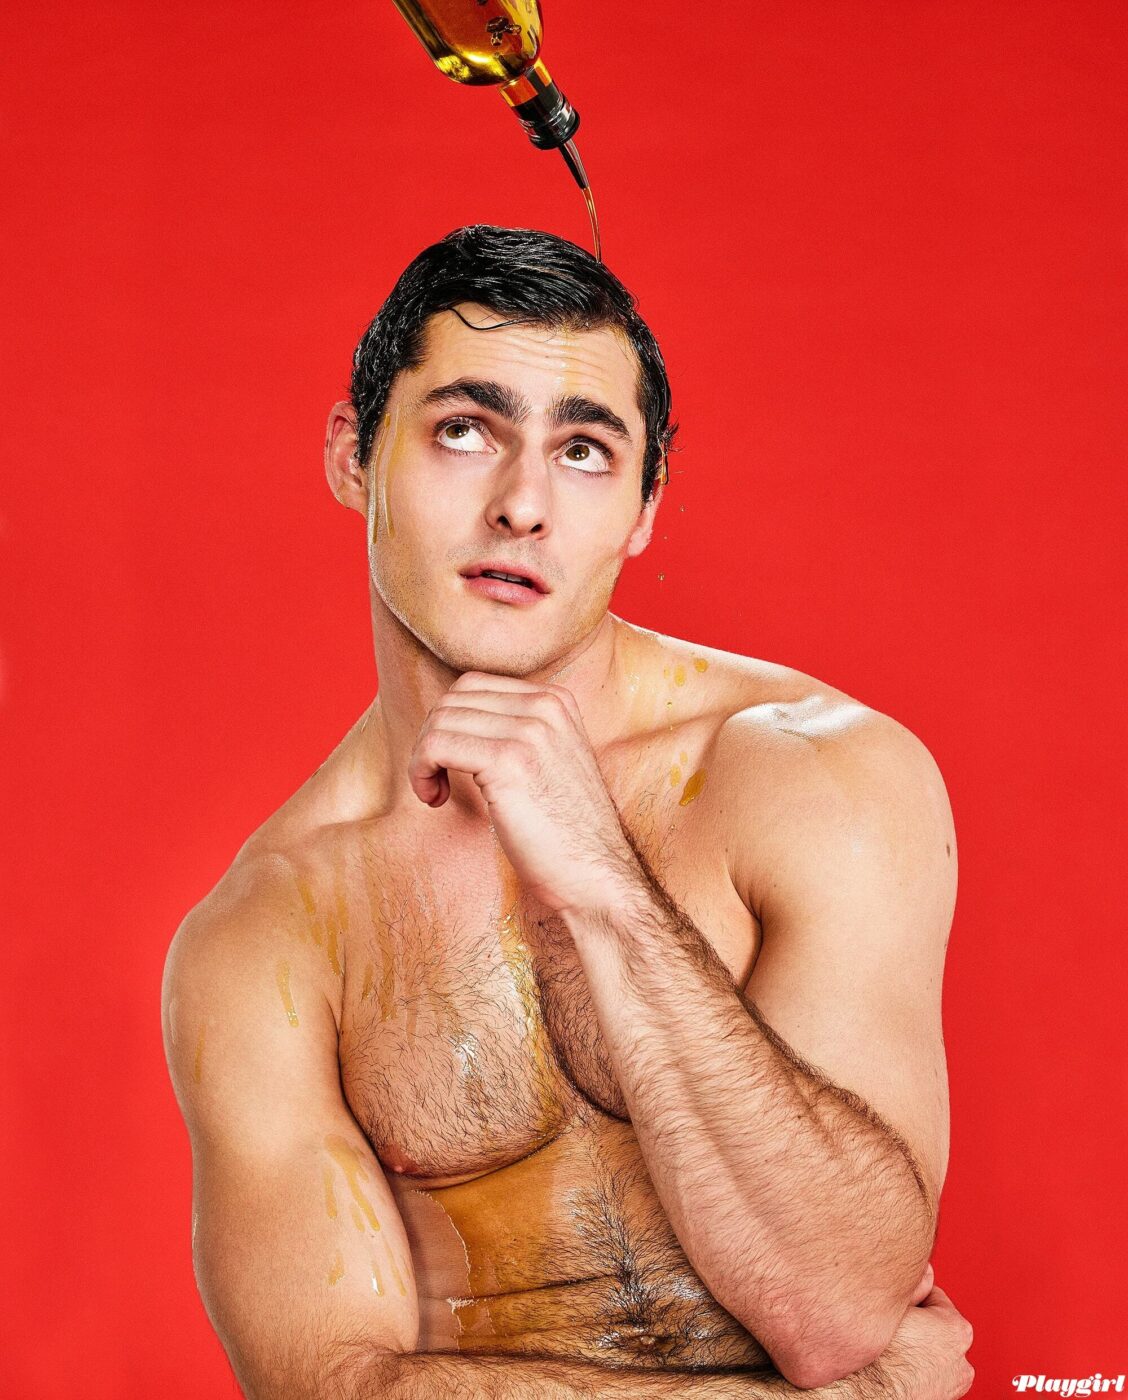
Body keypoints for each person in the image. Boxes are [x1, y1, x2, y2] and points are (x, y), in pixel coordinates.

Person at [161, 225, 974, 1399]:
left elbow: (836, 1302)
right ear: (353, 455)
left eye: (584, 450)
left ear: (645, 506)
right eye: (464, 429)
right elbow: (339, 1386)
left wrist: (607, 884)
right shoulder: (268, 933)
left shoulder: (817, 777)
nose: (523, 505)